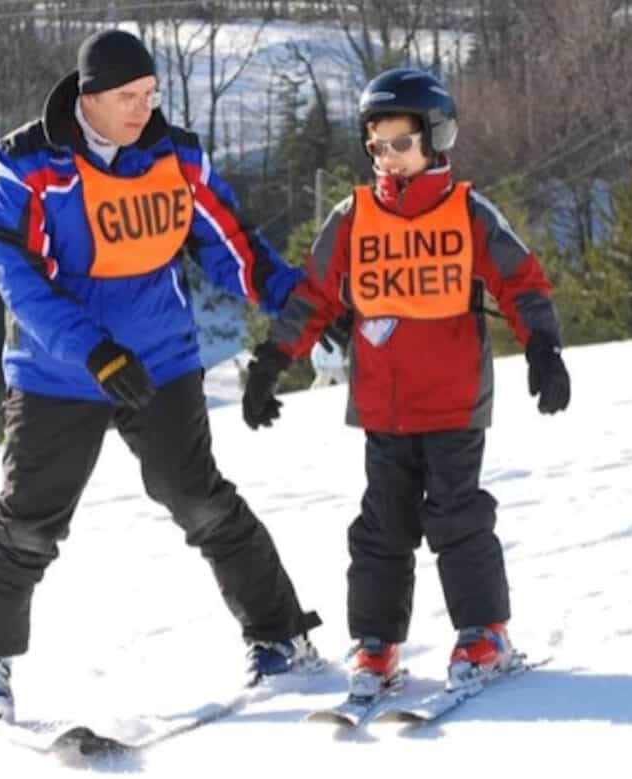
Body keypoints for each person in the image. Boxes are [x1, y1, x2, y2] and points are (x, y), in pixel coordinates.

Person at [0, 29, 321, 723]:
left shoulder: (174, 156)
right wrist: (94, 352)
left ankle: (280, 633)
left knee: (198, 497)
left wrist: (293, 300)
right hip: (60, 366)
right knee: (30, 519)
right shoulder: (28, 166)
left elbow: (230, 243)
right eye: (127, 97)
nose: (143, 109)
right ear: (89, 97)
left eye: (150, 95)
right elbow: (16, 276)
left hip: (160, 358)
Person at [241, 68, 570, 699]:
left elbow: (521, 281)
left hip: (452, 403)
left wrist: (544, 349)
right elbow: (312, 294)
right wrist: (272, 360)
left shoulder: (467, 213)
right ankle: (376, 644)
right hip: (383, 408)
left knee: (457, 517)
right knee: (381, 528)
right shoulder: (354, 216)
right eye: (377, 145)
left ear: (435, 137)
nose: (387, 158)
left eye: (401, 143)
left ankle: (483, 632)